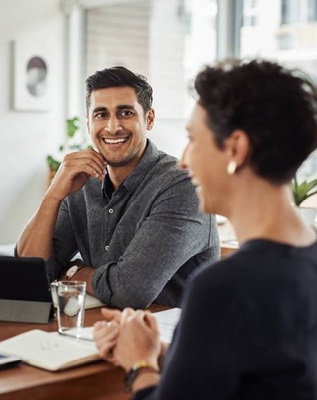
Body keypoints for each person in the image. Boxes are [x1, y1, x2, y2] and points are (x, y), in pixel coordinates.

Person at [93, 59, 317, 399]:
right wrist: (159, 351)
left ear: (236, 149)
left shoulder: (223, 288)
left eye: (193, 140)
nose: (184, 160)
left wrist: (139, 363)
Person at [17, 66, 219, 309]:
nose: (112, 127)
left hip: (170, 340)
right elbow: (29, 272)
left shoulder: (181, 185)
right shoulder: (82, 182)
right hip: (102, 330)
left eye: (125, 113)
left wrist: (72, 272)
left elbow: (130, 291)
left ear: (149, 119)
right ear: (89, 123)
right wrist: (53, 196)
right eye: (101, 114)